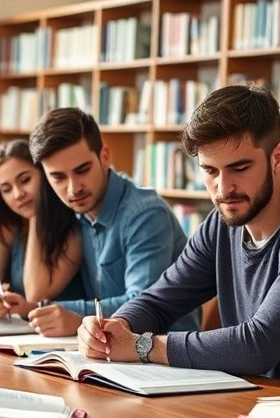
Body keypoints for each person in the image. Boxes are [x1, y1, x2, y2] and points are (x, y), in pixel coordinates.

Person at [75, 85, 280, 385]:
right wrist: (113, 328)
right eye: (210, 171)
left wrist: (142, 346)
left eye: (239, 168)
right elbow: (158, 301)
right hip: (249, 403)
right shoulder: (222, 222)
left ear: (278, 158)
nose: (223, 188)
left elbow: (258, 345)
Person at [28, 107, 200, 336]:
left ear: (105, 157)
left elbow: (143, 306)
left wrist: (74, 316)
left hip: (163, 353)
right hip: (108, 349)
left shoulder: (145, 214)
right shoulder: (75, 213)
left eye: (82, 170)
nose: (73, 188)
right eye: (58, 177)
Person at [0, 139, 85, 323]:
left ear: (45, 174)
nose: (18, 194)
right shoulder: (9, 226)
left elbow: (35, 294)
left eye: (25, 180)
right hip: (25, 331)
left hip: (66, 334)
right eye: (6, 189)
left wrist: (35, 215)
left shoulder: (73, 226)